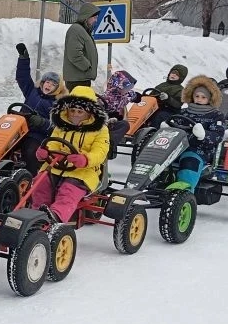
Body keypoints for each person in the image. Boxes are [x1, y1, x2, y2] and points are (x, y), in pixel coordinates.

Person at [30, 87, 110, 222]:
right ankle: (37, 213)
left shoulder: (101, 130)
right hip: (57, 165)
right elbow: (53, 143)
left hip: (84, 171)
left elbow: (100, 152)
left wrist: (86, 159)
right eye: (72, 110)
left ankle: (56, 216)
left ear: (90, 112)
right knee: (40, 182)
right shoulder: (61, 126)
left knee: (68, 190)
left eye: (80, 111)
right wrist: (45, 151)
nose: (75, 114)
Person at [14, 43, 65, 173]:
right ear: (42, 83)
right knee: (4, 145)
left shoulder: (57, 104)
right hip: (19, 129)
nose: (49, 85)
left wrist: (41, 122)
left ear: (57, 88)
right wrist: (23, 58)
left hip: (38, 135)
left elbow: (56, 127)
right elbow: (22, 77)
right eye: (47, 82)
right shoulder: (32, 91)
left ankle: (31, 176)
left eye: (53, 84)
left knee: (30, 151)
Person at [173, 76, 227, 190]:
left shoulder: (215, 115)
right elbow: (175, 124)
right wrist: (167, 127)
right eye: (197, 96)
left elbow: (217, 136)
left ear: (210, 99)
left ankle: (184, 191)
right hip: (175, 147)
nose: (199, 99)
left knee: (189, 162)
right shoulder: (184, 112)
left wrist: (203, 135)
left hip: (199, 150)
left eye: (203, 97)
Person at [98, 69, 138, 155]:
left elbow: (133, 95)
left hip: (113, 122)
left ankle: (111, 144)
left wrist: (137, 97)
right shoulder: (107, 98)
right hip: (103, 122)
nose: (127, 90)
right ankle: (107, 144)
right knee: (123, 124)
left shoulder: (124, 95)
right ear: (118, 86)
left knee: (125, 124)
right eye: (126, 88)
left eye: (129, 88)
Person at [63, 3, 101, 88]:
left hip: (81, 77)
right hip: (77, 79)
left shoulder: (83, 30)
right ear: (87, 17)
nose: (96, 20)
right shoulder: (76, 30)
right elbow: (74, 54)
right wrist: (87, 67)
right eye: (94, 17)